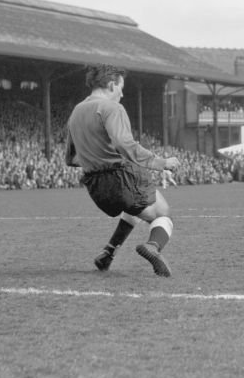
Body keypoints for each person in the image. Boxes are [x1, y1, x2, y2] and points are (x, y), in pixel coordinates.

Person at [65, 64, 181, 277]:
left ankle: (108, 254)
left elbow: (71, 158)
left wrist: (96, 158)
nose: (122, 93)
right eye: (121, 87)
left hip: (95, 187)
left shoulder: (76, 113)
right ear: (111, 84)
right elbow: (124, 144)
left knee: (135, 206)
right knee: (163, 214)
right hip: (120, 177)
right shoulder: (111, 108)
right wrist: (162, 163)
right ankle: (153, 246)